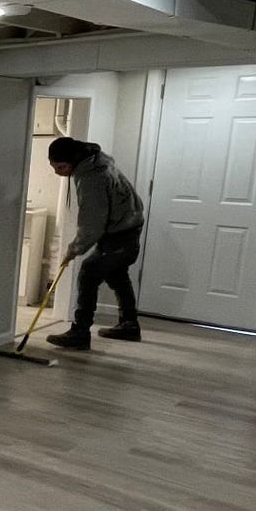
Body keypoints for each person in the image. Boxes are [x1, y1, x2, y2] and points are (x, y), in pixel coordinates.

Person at [43, 136, 144, 350]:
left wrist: (74, 250)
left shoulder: (90, 178)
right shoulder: (99, 162)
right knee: (117, 274)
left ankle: (80, 333)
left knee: (89, 272)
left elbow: (92, 224)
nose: (57, 172)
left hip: (121, 232)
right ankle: (129, 324)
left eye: (60, 167)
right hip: (128, 227)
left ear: (71, 161)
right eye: (54, 167)